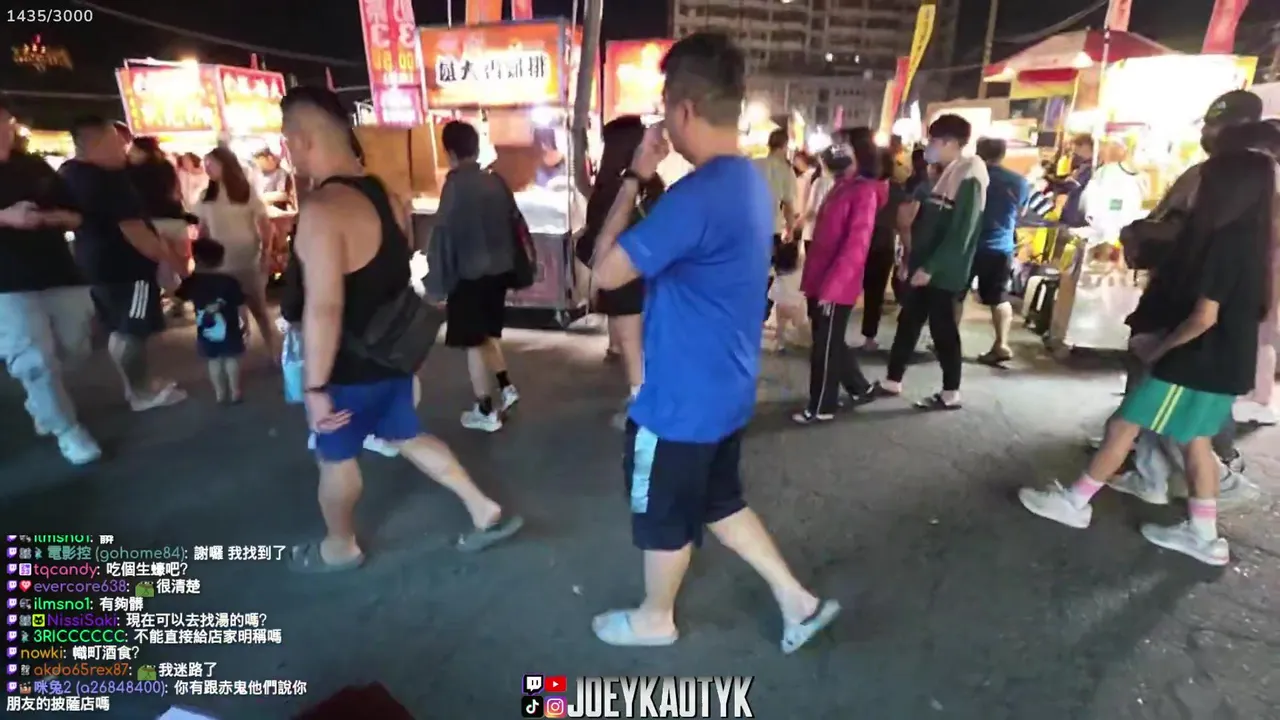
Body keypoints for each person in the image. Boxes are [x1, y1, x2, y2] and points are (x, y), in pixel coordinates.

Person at [587, 32, 839, 651]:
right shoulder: (749, 181)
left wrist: (633, 176)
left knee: (663, 515)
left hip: (678, 404)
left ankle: (655, 618)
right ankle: (797, 601)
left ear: (683, 109)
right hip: (727, 389)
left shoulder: (693, 198)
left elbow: (603, 271)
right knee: (719, 501)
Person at [280, 86, 522, 572]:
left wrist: (315, 387)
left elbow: (324, 308)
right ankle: (483, 509)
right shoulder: (384, 196)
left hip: (348, 367)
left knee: (335, 456)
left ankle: (339, 546)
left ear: (303, 140)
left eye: (288, 141)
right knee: (407, 435)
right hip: (393, 354)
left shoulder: (323, 210)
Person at [1019, 148, 1274, 566]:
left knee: (1124, 424)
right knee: (1194, 443)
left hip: (1195, 362)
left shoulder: (1223, 242)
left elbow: (1204, 317)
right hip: (1228, 362)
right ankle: (1204, 536)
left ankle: (1075, 502)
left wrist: (1160, 349)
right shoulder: (1254, 240)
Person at [1098, 91, 1265, 506]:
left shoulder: (1232, 185)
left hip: (1193, 317)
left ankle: (1209, 487)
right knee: (1183, 418)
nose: (1208, 133)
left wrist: (1138, 232)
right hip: (1200, 315)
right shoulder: (1241, 180)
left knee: (1176, 418)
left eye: (1215, 125)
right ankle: (1157, 477)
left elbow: (1180, 236)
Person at [60, 116, 187, 411]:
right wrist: (172, 264)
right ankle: (141, 393)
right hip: (127, 269)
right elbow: (136, 232)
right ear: (99, 143)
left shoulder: (71, 173)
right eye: (118, 143)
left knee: (120, 330)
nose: (124, 149)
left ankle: (135, 388)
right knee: (133, 332)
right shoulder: (107, 182)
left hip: (96, 264)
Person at [0, 98, 101, 464]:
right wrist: (6, 218)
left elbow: (75, 215)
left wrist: (47, 218)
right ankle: (67, 430)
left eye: (4, 120)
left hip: (58, 271)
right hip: (6, 284)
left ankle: (41, 398)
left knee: (75, 347)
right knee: (35, 360)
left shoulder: (33, 166)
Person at [869, 114, 988, 411]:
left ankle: (951, 392)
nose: (929, 147)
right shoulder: (948, 173)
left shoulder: (970, 176)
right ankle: (893, 380)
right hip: (926, 266)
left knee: (943, 329)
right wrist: (913, 260)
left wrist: (931, 268)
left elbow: (961, 233)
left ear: (949, 142)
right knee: (908, 322)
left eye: (933, 141)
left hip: (944, 273)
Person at [428, 120, 521, 432]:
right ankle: (506, 387)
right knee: (487, 334)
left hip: (468, 275)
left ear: (450, 152)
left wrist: (436, 285)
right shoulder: (495, 181)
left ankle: (485, 409)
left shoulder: (454, 186)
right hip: (499, 272)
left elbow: (442, 237)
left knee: (473, 342)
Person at [575, 115, 664, 425]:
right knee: (641, 342)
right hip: (648, 273)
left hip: (621, 276)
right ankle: (643, 395)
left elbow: (598, 237)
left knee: (630, 343)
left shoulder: (612, 188)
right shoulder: (654, 186)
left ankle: (642, 403)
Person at [793, 128, 885, 424]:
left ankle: (822, 405)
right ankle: (860, 388)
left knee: (825, 348)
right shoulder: (842, 185)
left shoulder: (864, 191)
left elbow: (856, 246)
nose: (836, 150)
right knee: (829, 341)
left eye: (842, 145)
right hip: (820, 277)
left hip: (836, 284)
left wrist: (832, 288)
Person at [193, 146, 281, 360]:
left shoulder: (245, 192)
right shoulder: (206, 195)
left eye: (211, 163)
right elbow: (202, 229)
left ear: (226, 165)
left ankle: (275, 352)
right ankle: (237, 354)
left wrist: (266, 253)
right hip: (219, 263)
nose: (207, 167)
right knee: (228, 310)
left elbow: (265, 225)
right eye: (205, 163)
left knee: (258, 308)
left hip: (247, 259)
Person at [970, 138, 1029, 365]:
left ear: (978, 152)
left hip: (968, 246)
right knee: (999, 297)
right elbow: (1022, 212)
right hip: (1001, 247)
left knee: (956, 295)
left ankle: (945, 342)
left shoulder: (972, 177)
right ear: (1003, 155)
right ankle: (1001, 344)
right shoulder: (1018, 181)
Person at [176, 238, 246, 404]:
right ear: (221, 259)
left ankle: (220, 394)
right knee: (231, 359)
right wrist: (245, 323)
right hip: (231, 328)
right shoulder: (230, 281)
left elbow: (178, 296)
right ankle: (235, 391)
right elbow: (241, 304)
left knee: (214, 361)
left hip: (205, 330)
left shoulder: (192, 281)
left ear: (196, 259)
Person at [128, 136, 191, 316]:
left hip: (154, 222)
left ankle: (176, 298)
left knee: (164, 266)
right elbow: (176, 193)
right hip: (176, 219)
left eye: (134, 150)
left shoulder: (131, 170)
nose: (130, 153)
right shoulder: (166, 166)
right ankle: (188, 295)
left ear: (143, 151)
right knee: (181, 263)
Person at [861, 147, 908, 350]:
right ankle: (869, 337)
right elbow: (903, 223)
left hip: (860, 242)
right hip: (884, 243)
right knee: (875, 293)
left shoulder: (862, 186)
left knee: (849, 289)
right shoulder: (897, 190)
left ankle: (836, 334)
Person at [757, 128, 798, 323]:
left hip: (747, 229)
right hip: (770, 228)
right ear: (784, 146)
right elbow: (788, 204)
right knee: (767, 272)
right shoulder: (785, 170)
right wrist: (790, 228)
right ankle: (760, 313)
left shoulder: (754, 164)